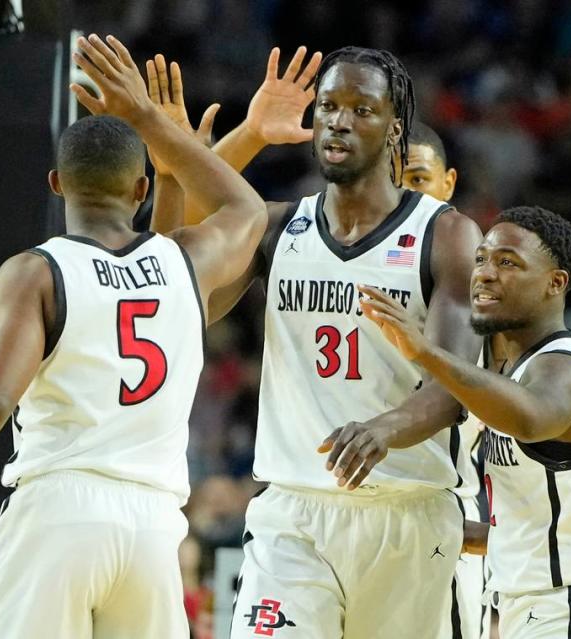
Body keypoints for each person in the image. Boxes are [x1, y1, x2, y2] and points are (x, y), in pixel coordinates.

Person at [0, 34, 267, 639]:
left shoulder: (36, 272)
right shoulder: (184, 263)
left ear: (56, 183)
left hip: (60, 511)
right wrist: (159, 137)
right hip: (152, 529)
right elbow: (244, 209)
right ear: (140, 190)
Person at [92, 45, 484, 637]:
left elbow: (454, 384)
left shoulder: (446, 234)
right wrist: (220, 146)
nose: (339, 120)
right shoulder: (279, 228)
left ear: (395, 127)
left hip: (408, 512)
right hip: (292, 515)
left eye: (361, 108)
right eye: (328, 105)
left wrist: (385, 427)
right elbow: (167, 289)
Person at [358, 206, 571, 638]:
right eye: (481, 259)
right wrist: (495, 536)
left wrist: (425, 353)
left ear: (556, 282)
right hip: (536, 604)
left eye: (507, 262)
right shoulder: (515, 369)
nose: (486, 274)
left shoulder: (563, 368)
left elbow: (532, 419)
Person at [401, 122, 485, 639]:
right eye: (395, 179)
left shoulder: (478, 290)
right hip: (344, 514)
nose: (406, 192)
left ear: (447, 183)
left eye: (418, 178)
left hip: (437, 510)